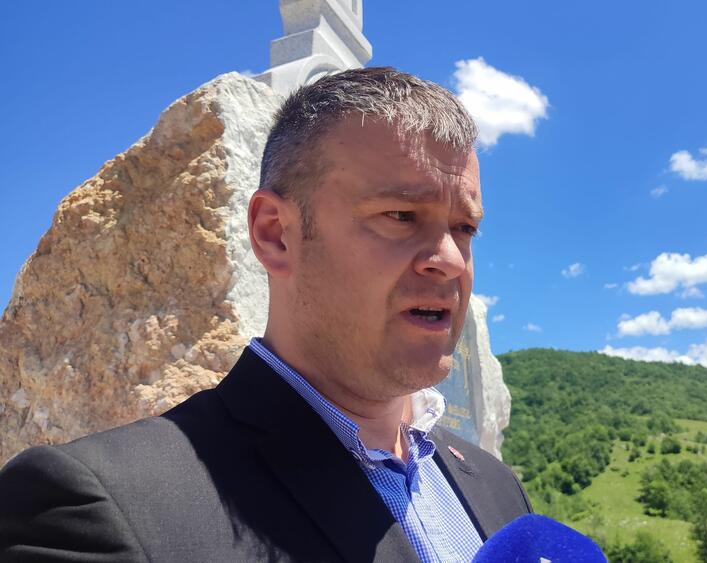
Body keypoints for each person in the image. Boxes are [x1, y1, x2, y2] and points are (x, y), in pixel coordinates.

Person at [0, 67, 531, 562]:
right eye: (401, 215)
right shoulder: (96, 507)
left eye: (465, 228)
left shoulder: (500, 490)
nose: (450, 260)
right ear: (275, 233)